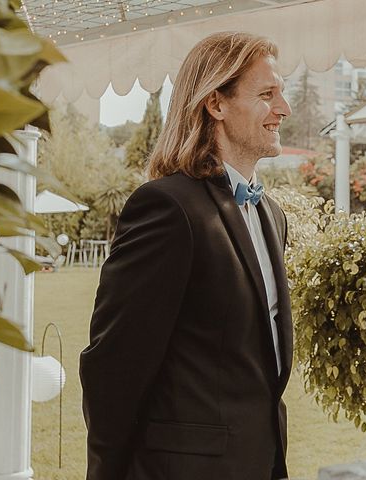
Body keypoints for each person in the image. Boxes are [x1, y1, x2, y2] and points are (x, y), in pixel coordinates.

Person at [79, 32, 293, 480]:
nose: (283, 109)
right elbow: (114, 364)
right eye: (267, 94)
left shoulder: (271, 215)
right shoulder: (167, 207)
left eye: (282, 93)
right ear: (216, 104)